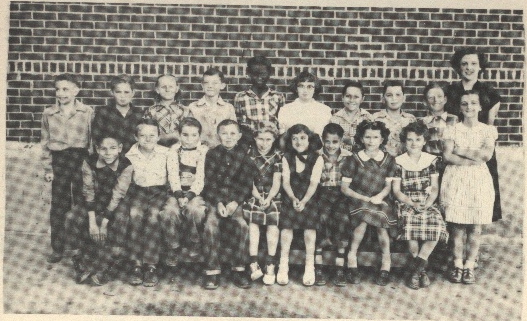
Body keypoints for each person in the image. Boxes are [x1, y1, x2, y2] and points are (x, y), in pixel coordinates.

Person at [106, 119, 176, 287]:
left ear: (159, 137)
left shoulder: (167, 153)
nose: (147, 139)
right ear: (135, 137)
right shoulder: (130, 155)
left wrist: (177, 195)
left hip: (159, 192)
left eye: (152, 135)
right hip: (138, 192)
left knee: (153, 217)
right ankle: (136, 263)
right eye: (143, 136)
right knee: (134, 214)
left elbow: (173, 176)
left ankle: (151, 265)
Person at [440, 90, 498, 285]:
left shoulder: (487, 130)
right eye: (464, 103)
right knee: (457, 225)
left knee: (475, 225)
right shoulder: (452, 129)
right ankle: (457, 264)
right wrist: (471, 157)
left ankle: (470, 265)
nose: (469, 107)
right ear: (460, 107)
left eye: (473, 103)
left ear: (480, 107)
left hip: (479, 179)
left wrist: (459, 150)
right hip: (456, 178)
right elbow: (447, 156)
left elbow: (486, 156)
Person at [41, 73, 94, 263]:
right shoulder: (49, 113)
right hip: (59, 159)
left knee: (82, 201)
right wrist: (48, 169)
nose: (61, 93)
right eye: (58, 89)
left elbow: (91, 140)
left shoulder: (87, 112)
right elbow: (45, 143)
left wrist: (90, 165)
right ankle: (58, 247)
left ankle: (82, 245)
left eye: (66, 89)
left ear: (76, 90)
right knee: (59, 204)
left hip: (79, 158)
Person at [64, 135, 131, 285]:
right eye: (104, 149)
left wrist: (104, 224)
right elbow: (88, 191)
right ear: (97, 149)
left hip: (116, 203)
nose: (108, 153)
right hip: (94, 202)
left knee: (121, 218)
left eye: (113, 148)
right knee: (71, 217)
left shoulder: (126, 165)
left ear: (120, 149)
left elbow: (118, 194)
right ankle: (79, 263)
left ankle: (111, 265)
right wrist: (92, 223)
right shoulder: (89, 162)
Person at [445, 47, 502, 222]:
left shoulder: (490, 93)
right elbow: (447, 123)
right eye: (464, 64)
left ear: (480, 67)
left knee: (480, 194)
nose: (469, 67)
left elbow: (489, 126)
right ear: (458, 67)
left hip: (479, 149)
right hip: (455, 147)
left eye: (473, 63)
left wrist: (480, 152)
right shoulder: (450, 91)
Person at [200, 119, 257, 290]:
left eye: (233, 133)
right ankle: (212, 270)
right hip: (215, 199)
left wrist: (235, 202)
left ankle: (239, 269)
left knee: (241, 225)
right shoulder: (211, 154)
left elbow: (246, 184)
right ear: (218, 135)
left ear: (239, 136)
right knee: (210, 225)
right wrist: (217, 202)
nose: (228, 137)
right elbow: (208, 183)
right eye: (224, 133)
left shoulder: (245, 157)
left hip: (234, 200)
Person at [392, 121, 449, 290]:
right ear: (404, 141)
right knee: (410, 225)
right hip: (406, 201)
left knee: (436, 224)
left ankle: (416, 269)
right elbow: (396, 191)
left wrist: (427, 203)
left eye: (418, 139)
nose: (414, 143)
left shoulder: (431, 161)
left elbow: (435, 188)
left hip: (427, 201)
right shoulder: (398, 162)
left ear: (424, 141)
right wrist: (412, 203)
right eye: (409, 140)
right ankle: (421, 271)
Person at [340, 120, 397, 286]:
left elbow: (388, 186)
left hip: (380, 199)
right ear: (361, 138)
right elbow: (345, 188)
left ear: (382, 139)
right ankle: (352, 260)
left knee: (381, 226)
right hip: (358, 199)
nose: (371, 141)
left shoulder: (388, 160)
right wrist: (366, 199)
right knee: (363, 221)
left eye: (375, 137)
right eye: (367, 137)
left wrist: (379, 197)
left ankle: (386, 265)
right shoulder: (354, 159)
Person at [277, 124, 324, 286]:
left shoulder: (317, 158)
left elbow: (313, 184)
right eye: (295, 138)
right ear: (290, 141)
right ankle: (283, 265)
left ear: (309, 140)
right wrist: (293, 198)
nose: (299, 142)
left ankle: (309, 266)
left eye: (303, 138)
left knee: (309, 228)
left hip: (309, 198)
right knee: (286, 227)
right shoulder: (286, 157)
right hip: (290, 196)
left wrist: (303, 201)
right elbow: (286, 182)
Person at [242, 121, 282, 285]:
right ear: (255, 138)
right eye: (260, 139)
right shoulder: (249, 154)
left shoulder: (278, 156)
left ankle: (270, 263)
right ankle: (253, 262)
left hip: (272, 195)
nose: (264, 143)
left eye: (268, 139)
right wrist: (259, 197)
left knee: (273, 223)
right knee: (253, 223)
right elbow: (249, 181)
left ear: (273, 140)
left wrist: (269, 198)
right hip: (254, 194)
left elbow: (277, 181)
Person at [166, 117, 208, 269]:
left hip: (195, 192)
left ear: (199, 136)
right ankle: (173, 247)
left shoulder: (203, 151)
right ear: (179, 134)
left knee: (195, 210)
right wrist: (178, 195)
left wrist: (189, 196)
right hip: (176, 191)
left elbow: (201, 178)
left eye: (194, 135)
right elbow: (172, 174)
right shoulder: (174, 151)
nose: (189, 139)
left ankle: (194, 243)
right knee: (169, 212)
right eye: (185, 135)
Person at [316, 123, 352, 287]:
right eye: (327, 141)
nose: (331, 145)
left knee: (343, 218)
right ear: (323, 140)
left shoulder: (348, 156)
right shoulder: (316, 155)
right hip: (321, 192)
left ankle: (340, 266)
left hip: (341, 193)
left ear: (341, 142)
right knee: (320, 217)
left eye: (335, 142)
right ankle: (318, 267)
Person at [234, 56, 285, 148]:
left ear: (269, 73)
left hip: (272, 144)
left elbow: (281, 124)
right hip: (248, 144)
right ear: (248, 73)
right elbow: (238, 123)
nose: (259, 77)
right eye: (255, 74)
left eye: (263, 74)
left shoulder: (277, 96)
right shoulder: (240, 97)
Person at [277, 71, 332, 148]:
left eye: (309, 86)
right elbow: (282, 138)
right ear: (296, 88)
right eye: (301, 86)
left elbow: (323, 138)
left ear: (315, 89)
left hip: (315, 152)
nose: (305, 90)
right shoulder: (285, 110)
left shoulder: (324, 110)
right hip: (291, 153)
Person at [92, 74, 143, 154]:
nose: (122, 96)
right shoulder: (103, 113)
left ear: (133, 93)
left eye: (126, 92)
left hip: (134, 160)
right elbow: (96, 140)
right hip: (110, 159)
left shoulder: (139, 114)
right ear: (112, 93)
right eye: (118, 92)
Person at [188, 68, 237, 148]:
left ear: (222, 85)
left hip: (221, 152)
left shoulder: (228, 108)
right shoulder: (193, 107)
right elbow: (188, 131)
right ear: (202, 85)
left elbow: (233, 133)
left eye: (215, 83)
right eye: (206, 83)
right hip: (199, 151)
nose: (210, 86)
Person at [144, 74, 192, 147]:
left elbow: (191, 132)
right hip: (157, 150)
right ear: (157, 90)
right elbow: (145, 132)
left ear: (176, 89)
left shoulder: (185, 111)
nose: (167, 89)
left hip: (180, 149)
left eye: (171, 86)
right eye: (163, 87)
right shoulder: (151, 111)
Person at [372, 80, 416, 157]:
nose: (394, 98)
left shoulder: (410, 119)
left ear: (404, 98)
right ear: (383, 99)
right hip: (382, 161)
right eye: (389, 95)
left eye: (398, 95)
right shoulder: (376, 118)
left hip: (405, 161)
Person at [330, 80, 373, 152]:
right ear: (342, 97)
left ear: (362, 99)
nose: (351, 100)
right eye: (348, 96)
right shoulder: (335, 119)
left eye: (356, 97)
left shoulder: (368, 118)